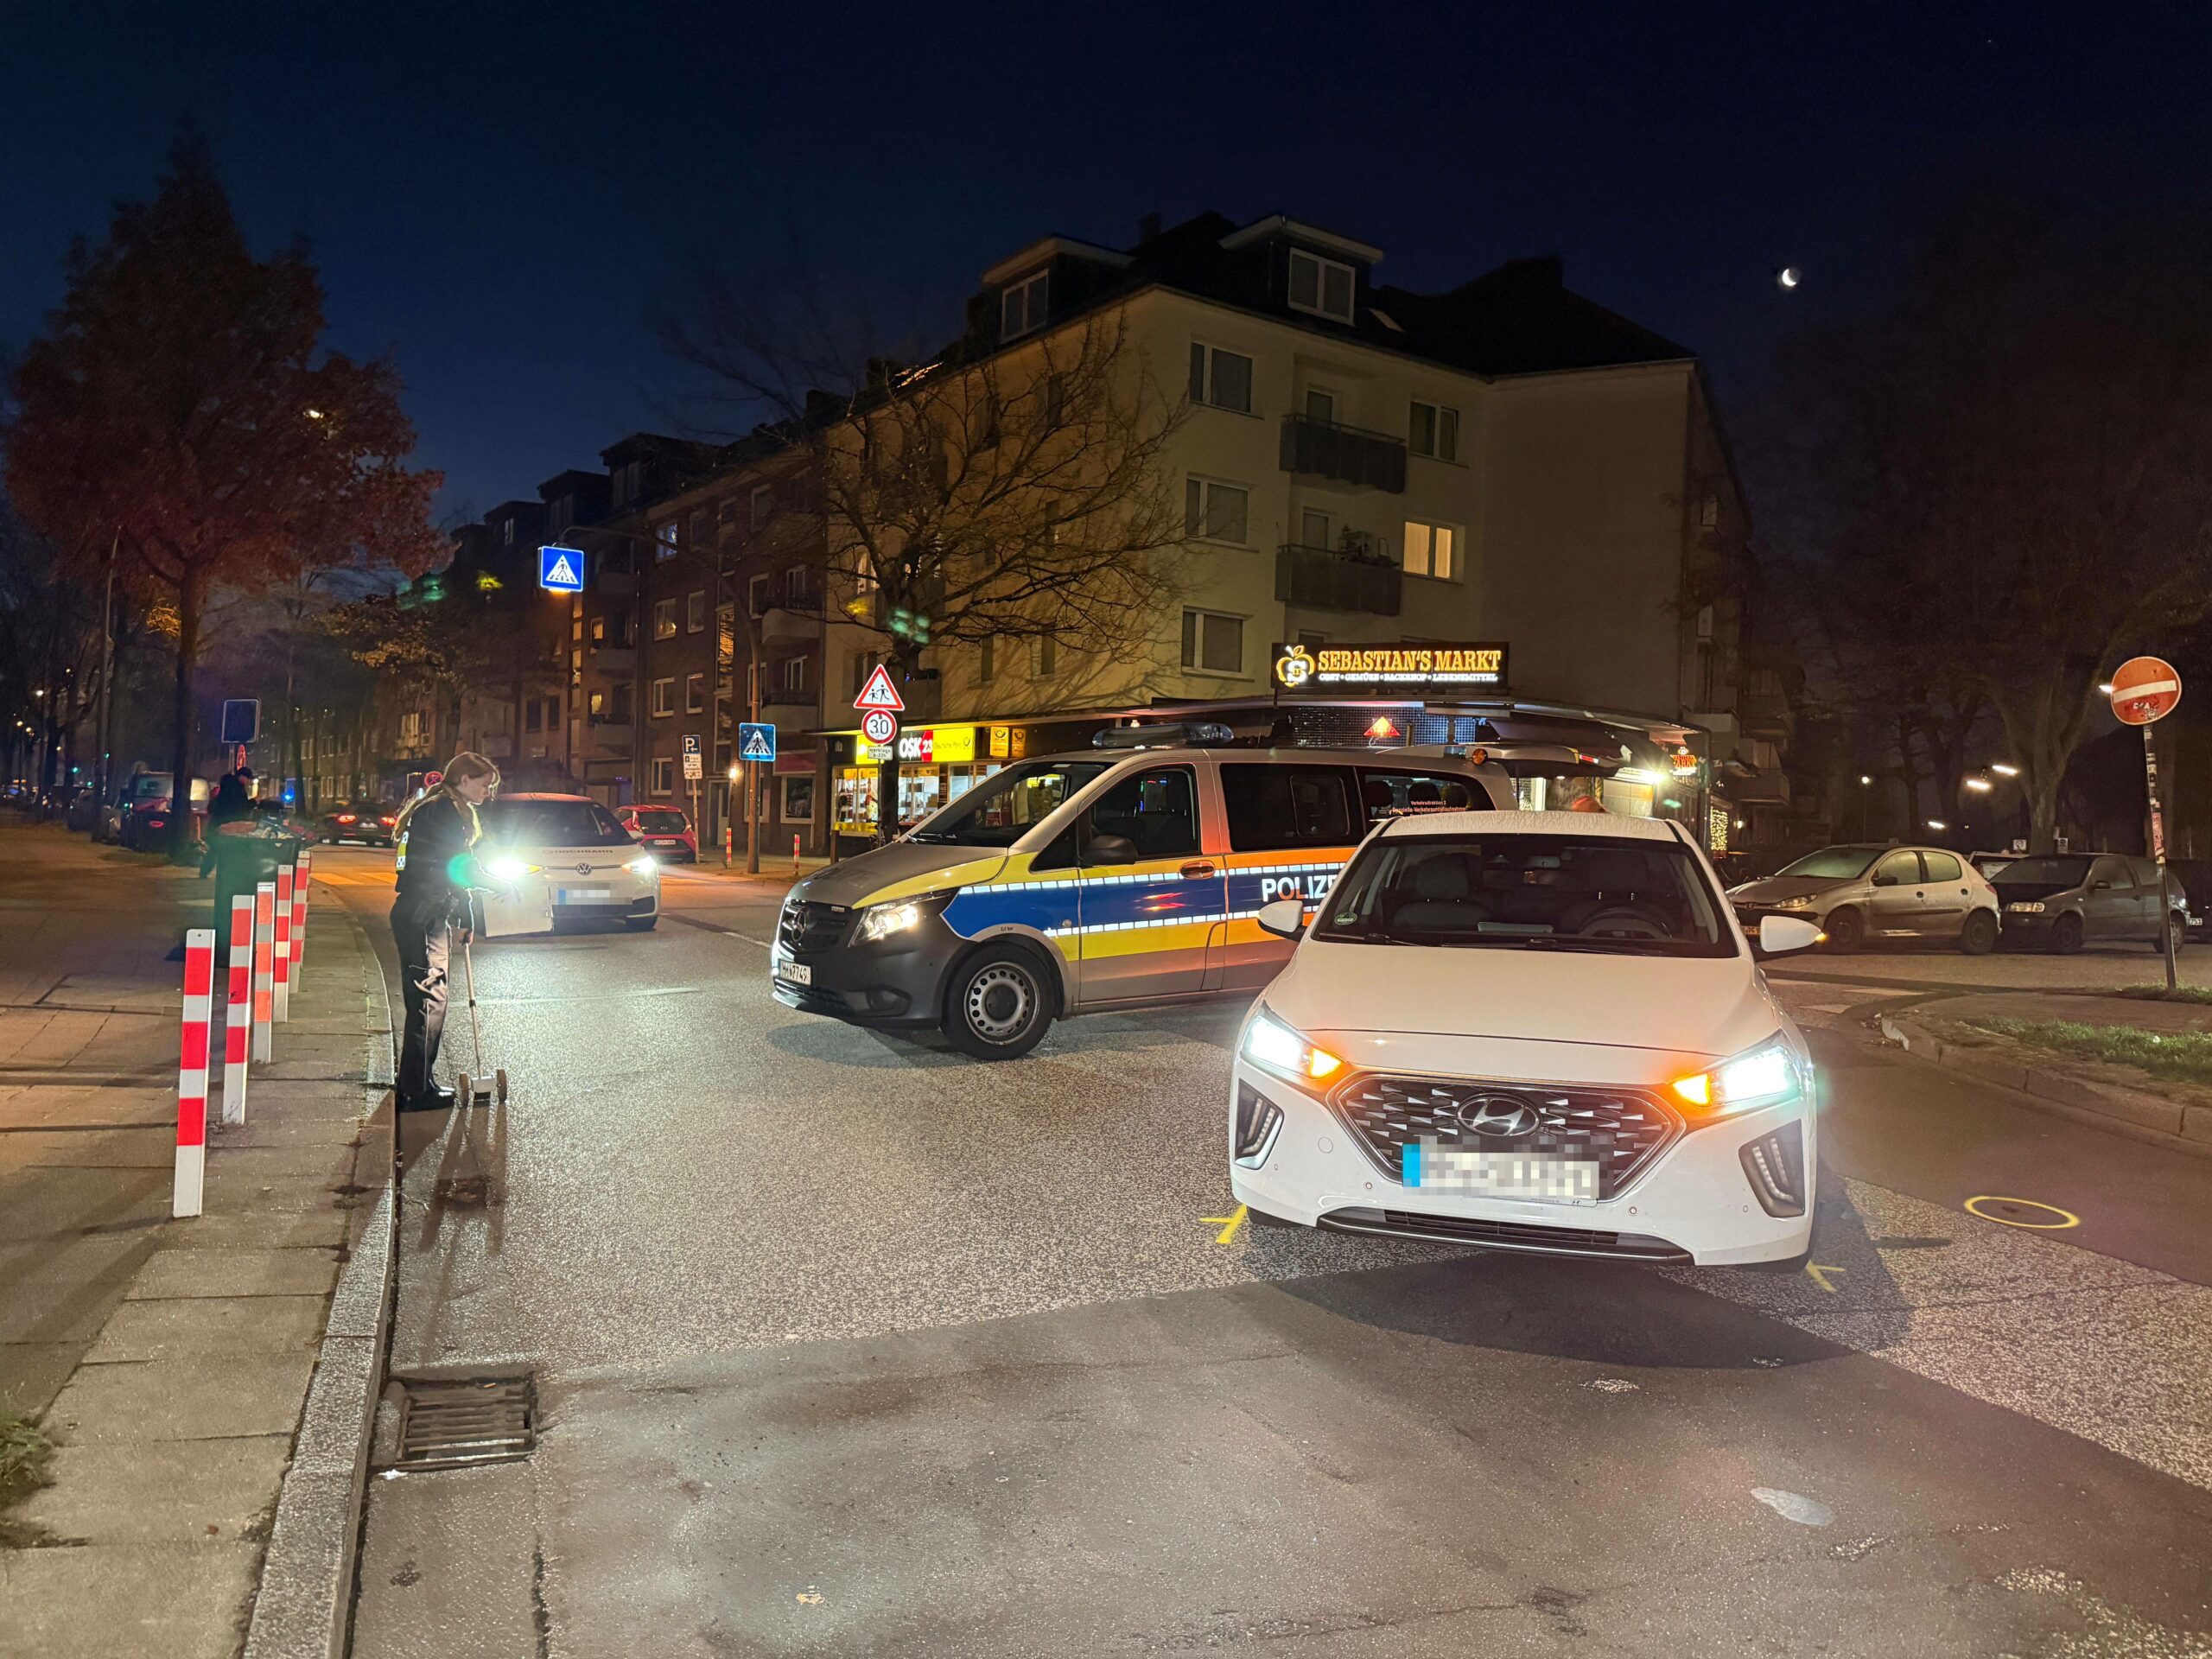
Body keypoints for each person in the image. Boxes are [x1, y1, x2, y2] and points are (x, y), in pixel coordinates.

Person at [390, 753, 500, 1111]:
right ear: (465, 779)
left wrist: (465, 917)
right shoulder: (444, 813)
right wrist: (495, 885)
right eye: (484, 784)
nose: (488, 792)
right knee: (427, 1001)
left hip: (424, 911)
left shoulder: (436, 808)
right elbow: (459, 866)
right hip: (424, 915)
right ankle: (416, 1090)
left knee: (429, 999)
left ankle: (418, 1081)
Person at [199, 772, 251, 878]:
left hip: (217, 824)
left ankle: (205, 872)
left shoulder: (223, 793)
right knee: (227, 850)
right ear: (242, 776)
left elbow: (212, 808)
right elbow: (241, 807)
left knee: (215, 850)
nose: (248, 781)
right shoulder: (237, 791)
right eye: (247, 778)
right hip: (228, 826)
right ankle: (226, 874)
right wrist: (254, 802)